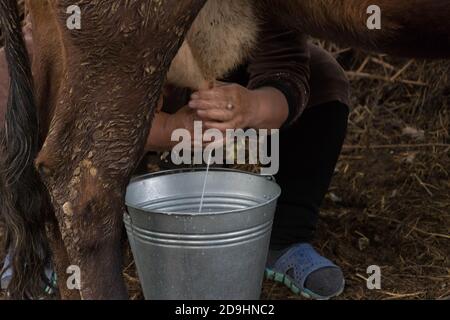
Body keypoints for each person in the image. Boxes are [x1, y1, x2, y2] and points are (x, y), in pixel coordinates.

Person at [0, 16, 350, 300]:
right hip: (114, 91)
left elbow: (286, 70)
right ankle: (43, 238)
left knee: (324, 78)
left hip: (215, 91)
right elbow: (79, 84)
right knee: (15, 81)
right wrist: (167, 128)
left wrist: (251, 106)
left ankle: (283, 237)